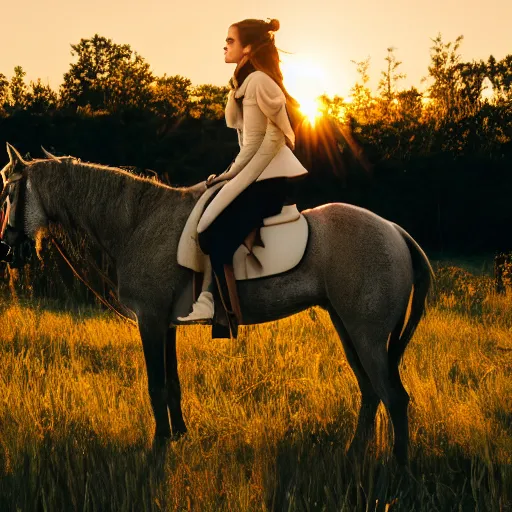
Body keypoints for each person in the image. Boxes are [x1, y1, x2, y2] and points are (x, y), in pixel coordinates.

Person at [177, 18, 308, 324]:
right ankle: (211, 301)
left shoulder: (258, 83)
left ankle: (212, 304)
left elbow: (254, 146)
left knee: (214, 235)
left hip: (268, 180)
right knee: (209, 221)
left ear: (248, 48)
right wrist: (229, 175)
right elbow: (249, 149)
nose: (225, 45)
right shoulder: (247, 82)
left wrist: (229, 176)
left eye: (231, 41)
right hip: (261, 175)